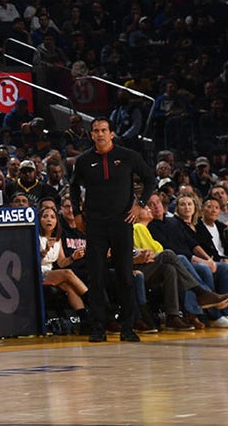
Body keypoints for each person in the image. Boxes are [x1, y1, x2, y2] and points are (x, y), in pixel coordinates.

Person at [69, 117, 157, 343]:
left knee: (125, 276)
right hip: (95, 224)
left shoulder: (128, 156)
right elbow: (73, 187)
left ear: (111, 133)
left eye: (104, 130)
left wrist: (140, 204)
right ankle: (98, 327)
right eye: (96, 130)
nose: (100, 134)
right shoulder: (83, 160)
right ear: (91, 135)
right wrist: (78, 213)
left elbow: (150, 179)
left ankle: (127, 327)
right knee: (96, 276)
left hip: (122, 222)